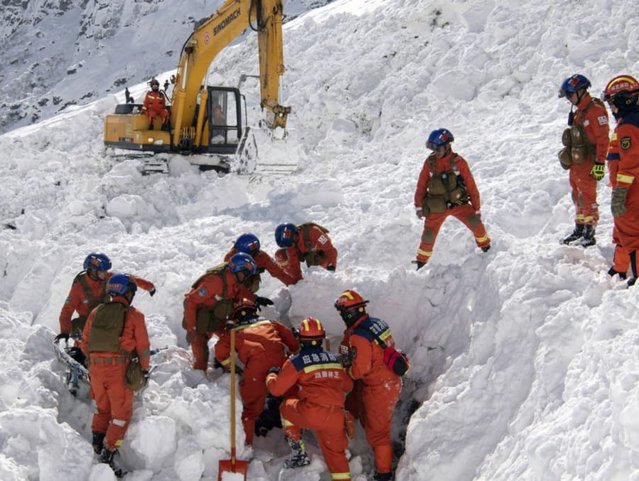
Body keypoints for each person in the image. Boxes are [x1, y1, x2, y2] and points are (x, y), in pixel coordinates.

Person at [80, 274, 151, 475]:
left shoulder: (96, 312)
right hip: (117, 369)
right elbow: (144, 347)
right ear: (127, 293)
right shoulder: (134, 315)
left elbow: (85, 343)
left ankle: (96, 443)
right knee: (121, 415)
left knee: (103, 408)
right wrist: (144, 369)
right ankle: (108, 453)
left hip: (95, 369)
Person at [266, 317, 352, 480]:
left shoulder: (297, 361)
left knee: (285, 407)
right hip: (336, 415)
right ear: (322, 338)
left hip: (312, 412)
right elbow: (348, 386)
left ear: (300, 338)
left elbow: (276, 390)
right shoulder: (335, 359)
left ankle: (298, 453)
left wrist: (271, 375)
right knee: (336, 455)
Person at [334, 290, 402, 481]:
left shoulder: (359, 337)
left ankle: (384, 473)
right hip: (388, 379)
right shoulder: (377, 323)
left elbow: (359, 371)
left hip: (380, 387)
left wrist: (346, 371)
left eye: (342, 314)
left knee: (378, 434)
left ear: (348, 314)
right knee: (369, 419)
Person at [214, 297, 299, 445]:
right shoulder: (270, 323)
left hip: (255, 368)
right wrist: (294, 354)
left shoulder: (233, 331)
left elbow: (219, 350)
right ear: (254, 310)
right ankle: (295, 438)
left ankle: (247, 444)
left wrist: (230, 366)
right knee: (291, 398)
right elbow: (291, 341)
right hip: (280, 363)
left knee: (251, 409)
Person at [413, 128, 490, 269]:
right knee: (428, 236)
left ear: (447, 146)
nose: (435, 151)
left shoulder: (459, 162)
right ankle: (421, 263)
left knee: (476, 224)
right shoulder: (430, 163)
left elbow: (471, 185)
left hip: (458, 204)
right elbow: (421, 185)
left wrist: (476, 208)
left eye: (437, 148)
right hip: (436, 207)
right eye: (432, 148)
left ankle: (487, 248)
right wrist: (419, 206)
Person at [182, 253, 261, 371]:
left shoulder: (236, 280)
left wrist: (256, 299)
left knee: (232, 338)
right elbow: (190, 301)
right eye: (246, 274)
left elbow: (240, 292)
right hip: (199, 319)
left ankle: (226, 363)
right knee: (201, 356)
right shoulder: (215, 282)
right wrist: (191, 328)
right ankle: (198, 381)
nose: (247, 277)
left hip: (217, 317)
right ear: (238, 270)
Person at [557, 74, 610, 246]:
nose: (569, 99)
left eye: (570, 95)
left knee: (588, 196)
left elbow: (603, 140)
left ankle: (590, 231)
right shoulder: (580, 110)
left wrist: (600, 163)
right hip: (577, 163)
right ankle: (579, 227)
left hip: (589, 162)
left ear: (580, 91)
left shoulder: (595, 111)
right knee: (577, 195)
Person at [56, 252, 155, 343]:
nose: (105, 273)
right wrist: (64, 332)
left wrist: (149, 286)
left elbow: (127, 279)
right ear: (93, 270)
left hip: (106, 318)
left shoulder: (107, 278)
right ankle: (79, 351)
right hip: (86, 324)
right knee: (79, 328)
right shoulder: (78, 287)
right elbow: (66, 312)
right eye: (102, 271)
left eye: (106, 271)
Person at [601, 74, 639, 286]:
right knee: (622, 230)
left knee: (631, 234)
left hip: (631, 191)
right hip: (631, 188)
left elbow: (629, 164)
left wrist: (621, 193)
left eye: (612, 103)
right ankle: (620, 268)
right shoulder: (632, 121)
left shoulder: (628, 127)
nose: (611, 108)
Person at [273, 222, 338, 284]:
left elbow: (330, 250)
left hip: (319, 254)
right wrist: (298, 283)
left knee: (325, 265)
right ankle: (294, 282)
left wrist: (331, 267)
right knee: (280, 255)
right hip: (304, 253)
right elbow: (293, 263)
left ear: (294, 234)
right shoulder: (291, 244)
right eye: (289, 245)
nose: (291, 245)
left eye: (292, 242)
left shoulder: (314, 232)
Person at [224, 233, 296, 286]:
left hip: (249, 279)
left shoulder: (262, 257)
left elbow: (278, 272)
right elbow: (227, 280)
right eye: (237, 251)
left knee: (254, 285)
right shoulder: (230, 257)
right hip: (234, 281)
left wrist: (294, 285)